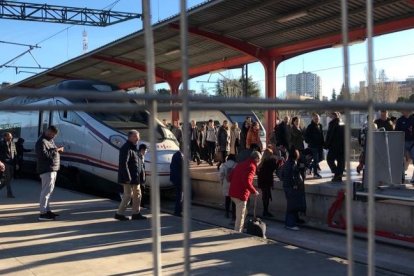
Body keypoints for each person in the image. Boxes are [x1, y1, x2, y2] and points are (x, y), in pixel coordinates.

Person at [114, 130, 147, 221]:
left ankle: (135, 213)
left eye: (138, 136)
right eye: (136, 136)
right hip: (129, 177)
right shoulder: (126, 148)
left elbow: (137, 163)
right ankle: (120, 214)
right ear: (130, 137)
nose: (138, 138)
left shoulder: (134, 148)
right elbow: (123, 163)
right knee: (128, 195)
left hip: (135, 177)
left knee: (136, 194)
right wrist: (127, 178)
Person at [228, 151, 261, 232]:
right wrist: (254, 191)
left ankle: (240, 228)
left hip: (233, 192)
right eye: (260, 160)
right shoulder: (252, 166)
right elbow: (246, 181)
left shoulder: (241, 164)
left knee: (244, 212)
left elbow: (229, 177)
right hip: (241, 194)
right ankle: (237, 233)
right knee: (240, 217)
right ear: (257, 159)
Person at [36, 126, 63, 221]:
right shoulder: (41, 141)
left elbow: (50, 152)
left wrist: (56, 150)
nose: (53, 136)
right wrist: (57, 150)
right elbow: (43, 155)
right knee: (45, 192)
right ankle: (42, 214)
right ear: (47, 131)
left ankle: (47, 210)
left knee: (49, 192)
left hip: (52, 169)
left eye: (54, 135)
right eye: (52, 134)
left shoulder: (49, 141)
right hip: (47, 170)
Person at [281, 148, 306, 231]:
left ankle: (295, 220)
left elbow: (282, 174)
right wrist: (294, 184)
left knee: (293, 204)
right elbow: (292, 176)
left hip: (288, 186)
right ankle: (289, 223)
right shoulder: (291, 164)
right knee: (292, 205)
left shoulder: (289, 163)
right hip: (291, 187)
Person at [257, 148, 278, 217]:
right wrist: (277, 160)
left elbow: (257, 172)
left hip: (262, 181)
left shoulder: (262, 162)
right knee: (266, 196)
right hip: (267, 181)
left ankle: (265, 211)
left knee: (265, 196)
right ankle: (265, 211)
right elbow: (275, 168)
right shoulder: (270, 161)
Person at [325, 112, 345, 182]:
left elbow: (330, 135)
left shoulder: (332, 123)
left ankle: (337, 173)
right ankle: (339, 176)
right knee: (341, 162)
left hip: (334, 146)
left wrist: (326, 144)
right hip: (342, 146)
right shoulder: (342, 123)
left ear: (333, 116)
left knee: (329, 159)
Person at [395, 111, 414, 183]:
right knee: (402, 159)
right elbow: (396, 133)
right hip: (403, 143)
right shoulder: (400, 120)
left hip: (412, 142)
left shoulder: (413, 119)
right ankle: (401, 176)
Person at [305, 113, 324, 179]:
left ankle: (309, 167)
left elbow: (321, 136)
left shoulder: (320, 125)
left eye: (318, 118)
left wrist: (323, 143)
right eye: (315, 118)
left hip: (320, 146)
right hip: (313, 146)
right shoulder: (310, 126)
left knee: (321, 158)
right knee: (316, 160)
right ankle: (315, 174)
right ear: (312, 119)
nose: (317, 119)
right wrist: (310, 142)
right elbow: (306, 137)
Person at [219, 154, 237, 220]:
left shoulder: (224, 165)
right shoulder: (236, 164)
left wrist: (222, 183)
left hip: (226, 183)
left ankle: (226, 213)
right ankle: (233, 215)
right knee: (234, 200)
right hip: (234, 184)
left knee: (227, 199)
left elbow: (221, 175)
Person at [0, 132, 17, 198]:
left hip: (11, 163)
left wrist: (17, 163)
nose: (11, 138)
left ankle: (2, 186)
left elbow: (15, 153)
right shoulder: (1, 143)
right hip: (5, 162)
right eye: (9, 137)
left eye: (11, 137)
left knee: (10, 178)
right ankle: (9, 193)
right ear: (5, 137)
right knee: (7, 177)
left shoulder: (13, 144)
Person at [170, 149, 183, 216]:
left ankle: (179, 210)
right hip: (178, 179)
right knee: (179, 195)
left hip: (178, 179)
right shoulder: (178, 156)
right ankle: (177, 211)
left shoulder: (178, 155)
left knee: (180, 195)